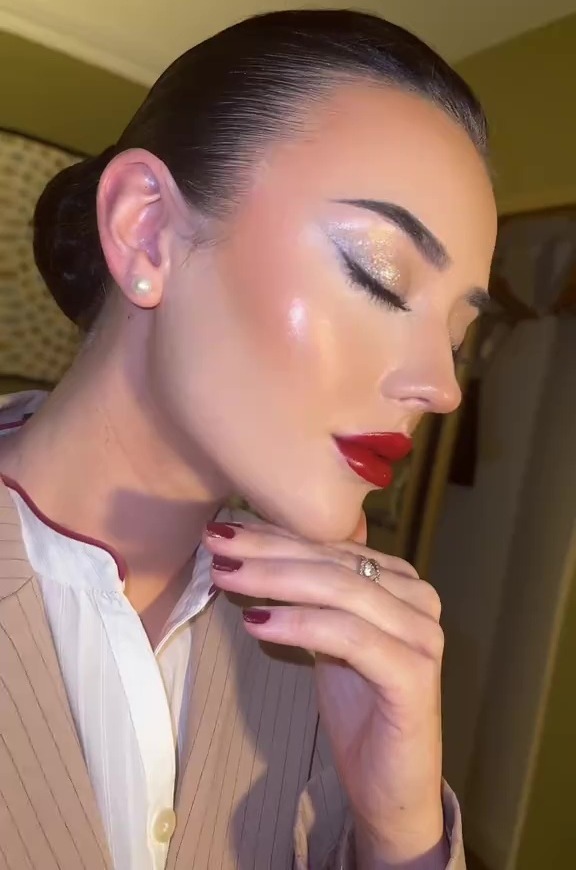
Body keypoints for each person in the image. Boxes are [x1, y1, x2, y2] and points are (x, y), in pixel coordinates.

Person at [0, 9, 496, 870]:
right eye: (380, 274)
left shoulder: (317, 664)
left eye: (456, 333)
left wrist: (398, 827)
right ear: (146, 229)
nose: (442, 386)